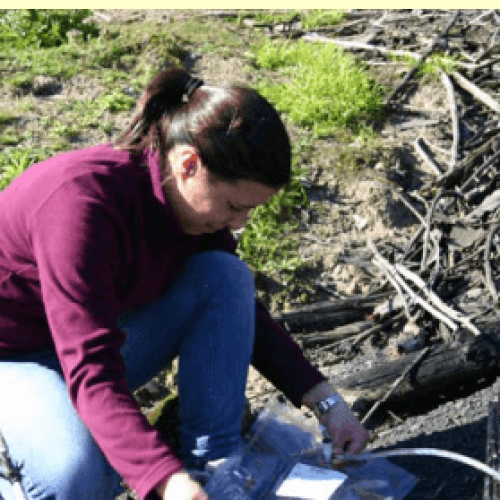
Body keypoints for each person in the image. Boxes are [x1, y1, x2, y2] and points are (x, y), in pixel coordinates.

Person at [0, 67, 368, 500]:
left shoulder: (190, 207)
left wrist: (327, 403)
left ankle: (213, 471)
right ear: (188, 163)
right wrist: (163, 480)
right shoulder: (79, 206)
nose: (240, 223)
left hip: (81, 344)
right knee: (74, 479)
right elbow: (91, 370)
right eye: (234, 206)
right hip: (14, 359)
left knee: (225, 276)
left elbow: (240, 311)